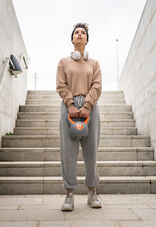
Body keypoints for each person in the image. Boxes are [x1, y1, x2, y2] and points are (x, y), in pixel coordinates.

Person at [56, 22, 102, 211]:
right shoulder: (63, 62)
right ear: (72, 38)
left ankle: (92, 193)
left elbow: (97, 86)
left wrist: (87, 105)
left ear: (87, 39)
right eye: (77, 32)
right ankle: (69, 195)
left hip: (91, 110)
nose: (80, 35)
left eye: (83, 33)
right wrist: (71, 105)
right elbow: (60, 85)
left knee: (91, 153)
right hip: (69, 109)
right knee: (68, 153)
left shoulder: (94, 63)